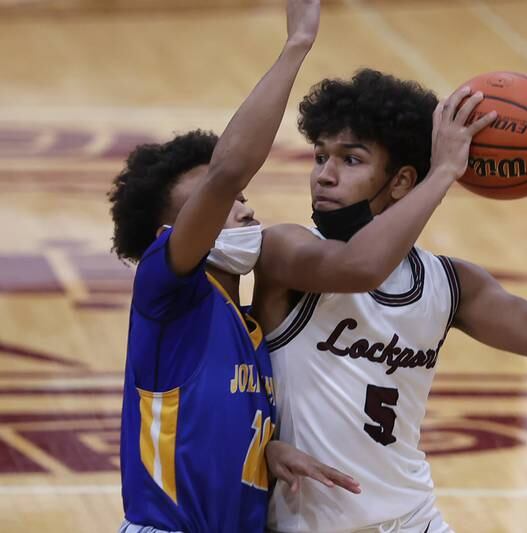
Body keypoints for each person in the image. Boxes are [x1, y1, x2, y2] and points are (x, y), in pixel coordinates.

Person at [253, 69, 527, 532]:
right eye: (320, 157)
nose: (324, 176)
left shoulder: (448, 282)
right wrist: (444, 172)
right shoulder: (286, 250)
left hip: (415, 519)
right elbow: (360, 268)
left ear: (401, 181)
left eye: (351, 160)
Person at [109, 2, 358, 532]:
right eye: (218, 200)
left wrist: (268, 453)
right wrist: (297, 44)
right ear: (170, 232)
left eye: (243, 197)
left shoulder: (249, 329)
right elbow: (228, 170)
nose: (242, 206)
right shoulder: (166, 297)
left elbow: (208, 436)